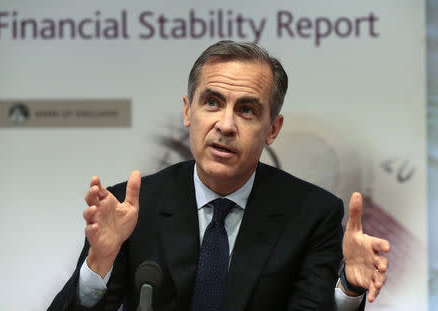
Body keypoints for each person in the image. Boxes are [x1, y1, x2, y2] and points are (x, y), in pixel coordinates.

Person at [48, 41, 390, 311]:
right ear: (187, 111)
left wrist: (349, 289)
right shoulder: (131, 208)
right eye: (212, 102)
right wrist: (99, 263)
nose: (225, 125)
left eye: (246, 109)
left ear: (272, 129)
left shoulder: (313, 214)